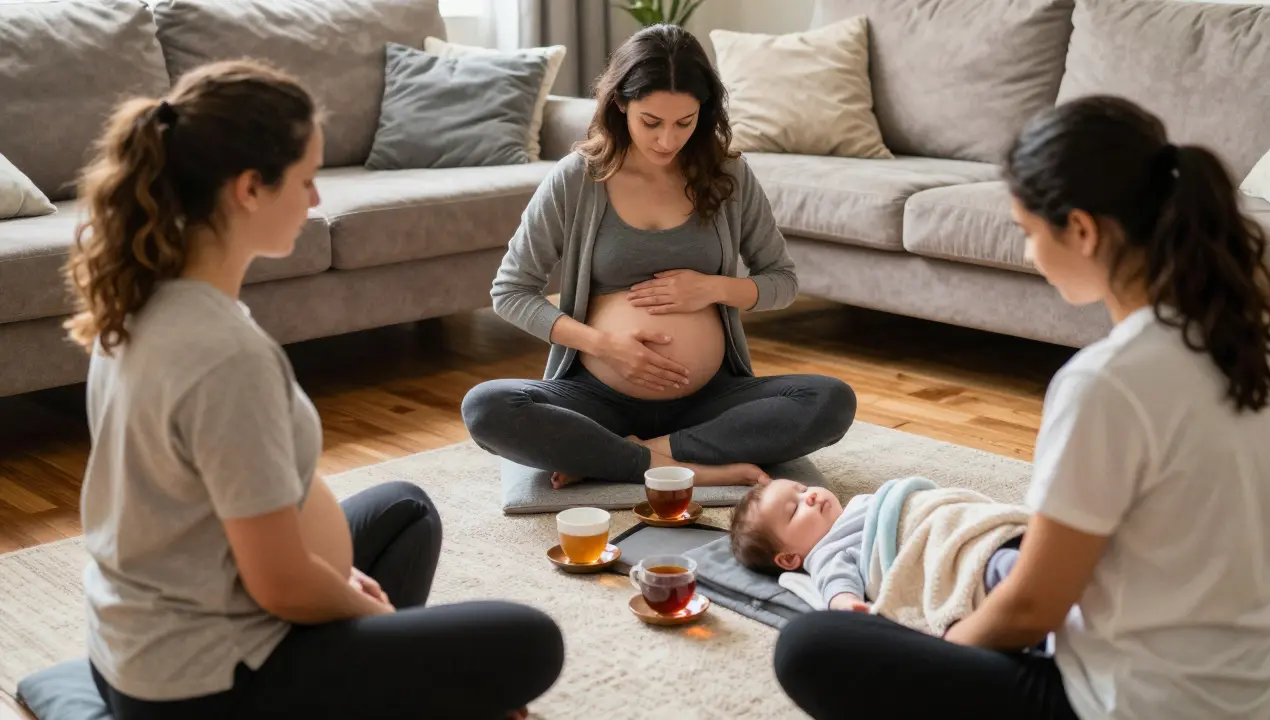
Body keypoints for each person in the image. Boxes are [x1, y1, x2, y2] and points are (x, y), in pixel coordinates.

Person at [66, 59, 563, 720]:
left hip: (136, 647)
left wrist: (332, 583)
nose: (317, 199)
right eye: (306, 179)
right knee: (530, 642)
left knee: (404, 510)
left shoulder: (139, 300)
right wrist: (359, 606)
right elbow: (280, 585)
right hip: (203, 682)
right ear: (248, 188)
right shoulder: (225, 357)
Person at [772, 95, 1270, 719]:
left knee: (808, 644)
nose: (1031, 255)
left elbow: (1030, 607)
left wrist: (948, 652)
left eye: (1029, 233)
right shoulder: (1260, 345)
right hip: (1256, 686)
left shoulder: (1107, 382)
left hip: (1131, 703)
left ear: (1083, 230)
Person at [461, 24, 856, 489]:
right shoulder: (578, 179)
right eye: (652, 122)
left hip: (709, 396)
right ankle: (689, 464)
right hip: (597, 395)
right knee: (486, 407)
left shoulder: (729, 176)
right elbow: (510, 291)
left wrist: (713, 289)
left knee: (830, 400)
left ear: (703, 113)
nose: (668, 140)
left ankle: (645, 454)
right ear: (621, 104)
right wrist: (605, 346)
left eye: (684, 123)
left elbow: (782, 280)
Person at [729, 479, 1023, 614]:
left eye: (803, 489)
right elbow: (835, 586)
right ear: (790, 558)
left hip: (943, 519)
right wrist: (846, 604)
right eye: (793, 510)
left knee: (998, 536)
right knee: (997, 566)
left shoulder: (862, 504)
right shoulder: (827, 553)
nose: (811, 497)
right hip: (934, 549)